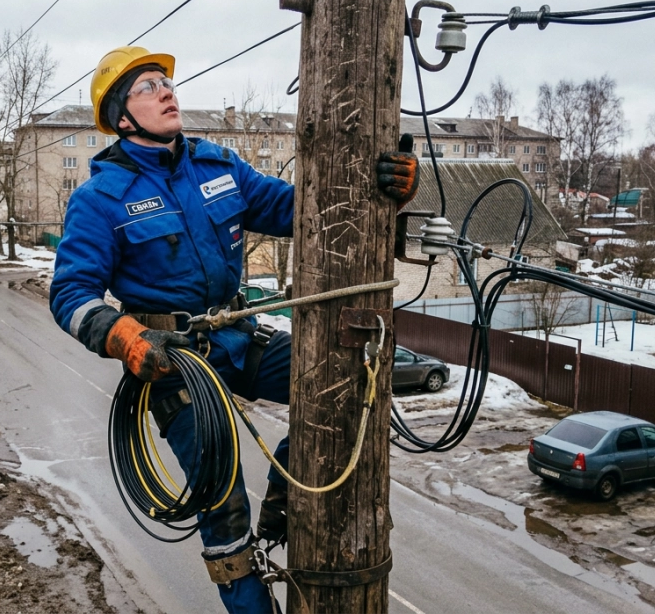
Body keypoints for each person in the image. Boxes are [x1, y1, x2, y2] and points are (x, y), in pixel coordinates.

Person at [49, 46, 419, 613]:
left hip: (236, 338)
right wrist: (125, 338)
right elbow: (70, 294)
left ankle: (288, 496)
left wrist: (382, 188)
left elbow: (308, 210)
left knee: (343, 375)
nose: (168, 92)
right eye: (148, 87)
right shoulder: (100, 199)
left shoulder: (217, 167)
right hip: (174, 364)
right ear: (122, 117)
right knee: (222, 503)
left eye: (167, 82)